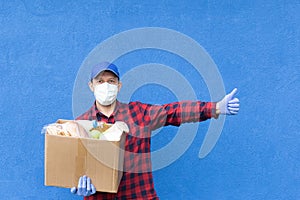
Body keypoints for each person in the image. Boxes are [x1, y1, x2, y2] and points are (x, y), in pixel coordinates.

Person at [70, 62, 240, 199]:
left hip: (139, 195)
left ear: (119, 86)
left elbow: (174, 111)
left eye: (111, 81)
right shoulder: (81, 124)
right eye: (100, 81)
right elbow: (73, 165)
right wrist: (77, 184)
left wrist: (215, 108)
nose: (105, 86)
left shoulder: (139, 113)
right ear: (91, 86)